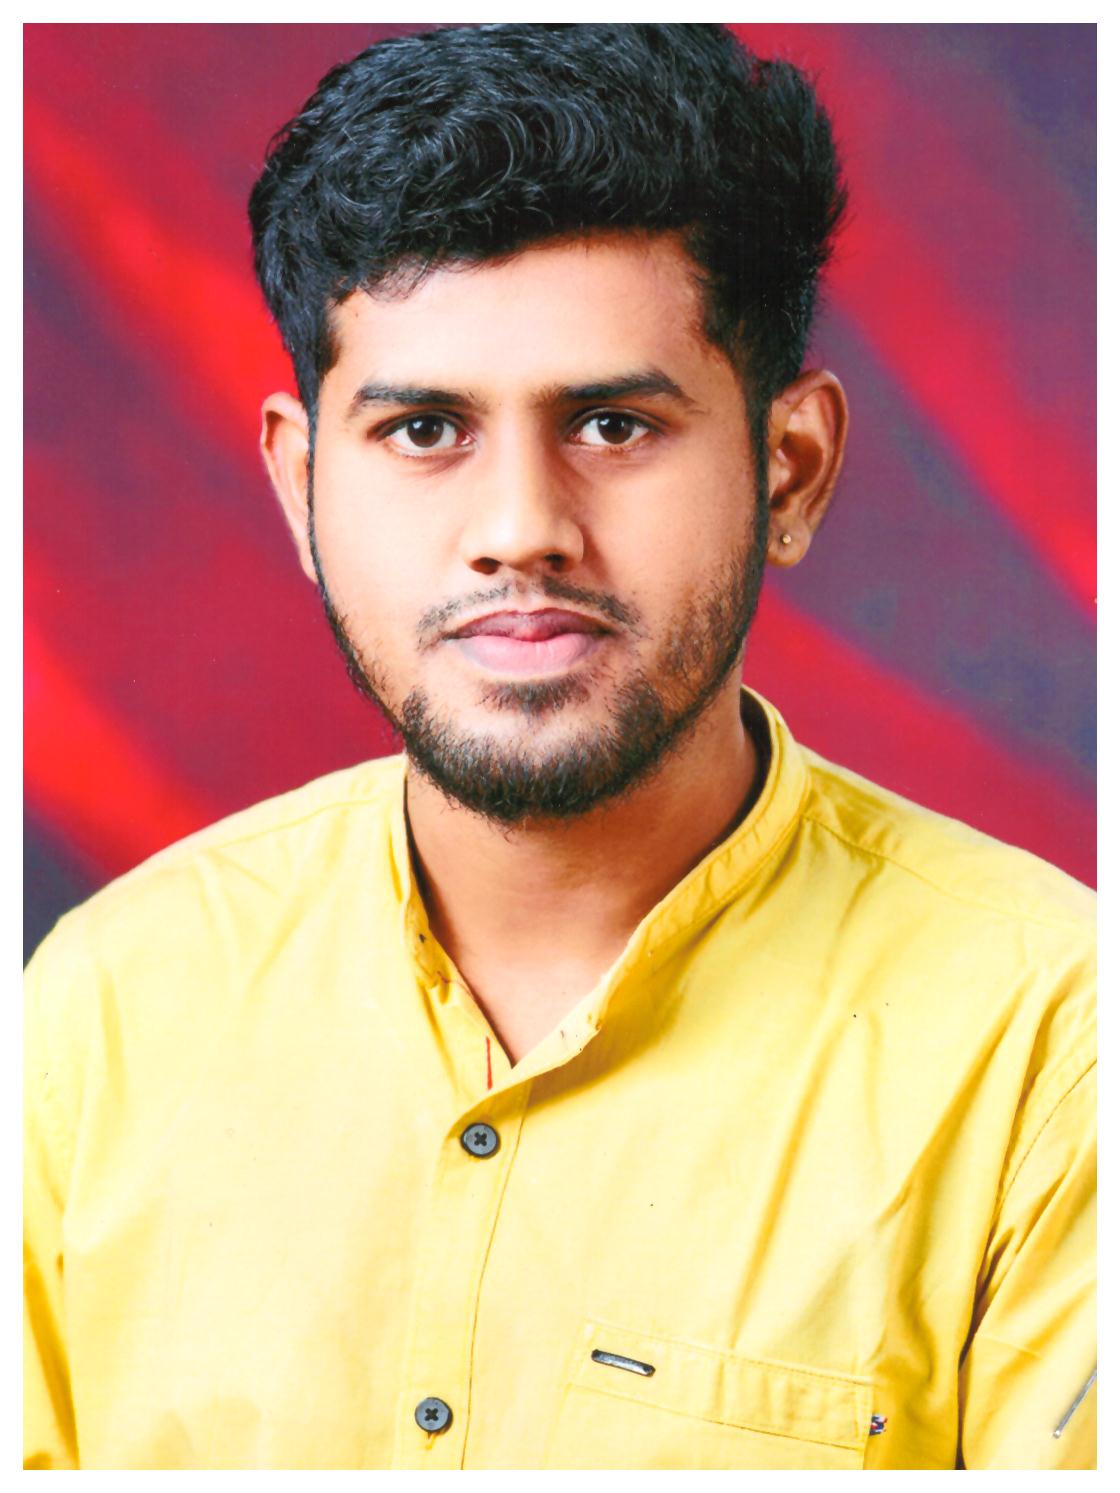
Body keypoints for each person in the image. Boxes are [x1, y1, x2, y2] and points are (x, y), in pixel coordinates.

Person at [23, 23, 1094, 1471]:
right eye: (423, 430)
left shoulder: (1050, 1039)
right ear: (300, 488)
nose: (521, 527)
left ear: (790, 470)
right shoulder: (106, 1006)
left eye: (611, 424)